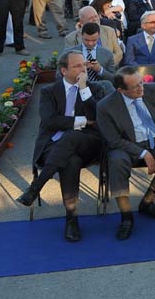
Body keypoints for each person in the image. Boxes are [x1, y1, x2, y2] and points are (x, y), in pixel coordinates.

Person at [15, 48, 109, 241]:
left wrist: (84, 90)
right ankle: (71, 220)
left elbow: (98, 118)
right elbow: (49, 121)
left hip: (89, 144)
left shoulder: (95, 89)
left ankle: (35, 188)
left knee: (72, 137)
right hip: (54, 145)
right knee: (70, 160)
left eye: (84, 64)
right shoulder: (49, 92)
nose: (83, 69)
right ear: (64, 70)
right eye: (77, 66)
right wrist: (82, 121)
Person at [96, 66, 155, 241]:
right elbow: (114, 140)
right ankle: (126, 217)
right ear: (120, 90)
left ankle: (147, 202)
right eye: (135, 87)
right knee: (117, 162)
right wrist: (144, 154)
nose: (141, 88)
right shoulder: (105, 106)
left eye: (141, 82)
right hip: (126, 145)